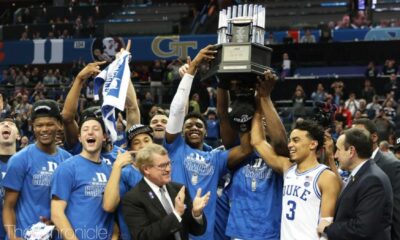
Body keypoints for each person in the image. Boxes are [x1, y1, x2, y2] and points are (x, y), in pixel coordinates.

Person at [165, 45, 253, 240]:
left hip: (205, 234)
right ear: (181, 130)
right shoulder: (174, 147)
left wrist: (244, 110)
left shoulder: (215, 158)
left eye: (198, 125)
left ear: (206, 131)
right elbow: (177, 110)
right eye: (188, 125)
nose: (194, 127)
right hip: (175, 232)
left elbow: (246, 148)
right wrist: (192, 69)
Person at [221, 70, 287, 240]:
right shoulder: (238, 149)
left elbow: (280, 142)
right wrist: (222, 83)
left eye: (267, 119)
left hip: (269, 234)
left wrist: (264, 98)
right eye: (260, 118)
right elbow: (223, 115)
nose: (263, 120)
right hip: (239, 233)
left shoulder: (280, 155)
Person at [251, 116, 341, 240]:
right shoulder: (287, 168)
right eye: (290, 140)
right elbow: (258, 142)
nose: (290, 145)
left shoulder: (326, 177)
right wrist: (258, 107)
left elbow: (326, 225)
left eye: (296, 140)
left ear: (313, 144)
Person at [51, 114, 131, 239]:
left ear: (104, 137)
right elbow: (57, 213)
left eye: (95, 129)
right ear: (79, 138)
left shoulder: (111, 171)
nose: (90, 132)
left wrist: (114, 236)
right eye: (85, 129)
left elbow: (113, 212)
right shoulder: (67, 168)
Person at [2, 100, 72, 239]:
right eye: (39, 125)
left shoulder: (69, 160)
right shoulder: (19, 160)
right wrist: (12, 237)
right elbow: (8, 206)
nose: (44, 129)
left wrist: (55, 222)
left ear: (59, 124)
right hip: (25, 235)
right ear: (32, 127)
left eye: (49, 124)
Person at [122, 143, 210, 240]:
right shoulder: (133, 199)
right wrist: (176, 214)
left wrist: (196, 214)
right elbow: (143, 236)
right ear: (146, 169)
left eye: (168, 163)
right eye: (162, 166)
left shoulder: (179, 189)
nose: (168, 169)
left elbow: (197, 231)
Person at [318, 128, 393, 239]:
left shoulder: (372, 180)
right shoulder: (363, 174)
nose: (336, 155)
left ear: (351, 151)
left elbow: (362, 228)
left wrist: (328, 228)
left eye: (338, 150)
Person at [352, 118, 400, 240]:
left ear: (374, 137)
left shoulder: (391, 165)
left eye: (358, 134)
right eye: (352, 135)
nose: (353, 139)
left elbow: (396, 211)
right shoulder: (350, 163)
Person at [103, 124, 152, 240]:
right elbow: (110, 206)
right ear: (130, 150)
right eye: (136, 142)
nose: (143, 146)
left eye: (147, 140)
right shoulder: (125, 174)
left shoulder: (161, 170)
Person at [0, 116, 20, 239]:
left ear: (18, 136)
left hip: (19, 233)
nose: (6, 125)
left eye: (11, 124)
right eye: (2, 123)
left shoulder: (27, 163)